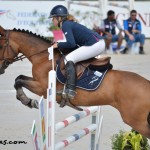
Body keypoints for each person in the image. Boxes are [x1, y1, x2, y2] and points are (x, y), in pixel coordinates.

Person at [49, 5, 105, 99]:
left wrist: (58, 45)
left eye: (53, 18)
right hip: (98, 43)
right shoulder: (67, 24)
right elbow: (73, 44)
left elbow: (71, 43)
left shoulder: (65, 25)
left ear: (59, 18)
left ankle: (70, 89)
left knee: (68, 59)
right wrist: (58, 43)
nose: (52, 20)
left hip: (95, 44)